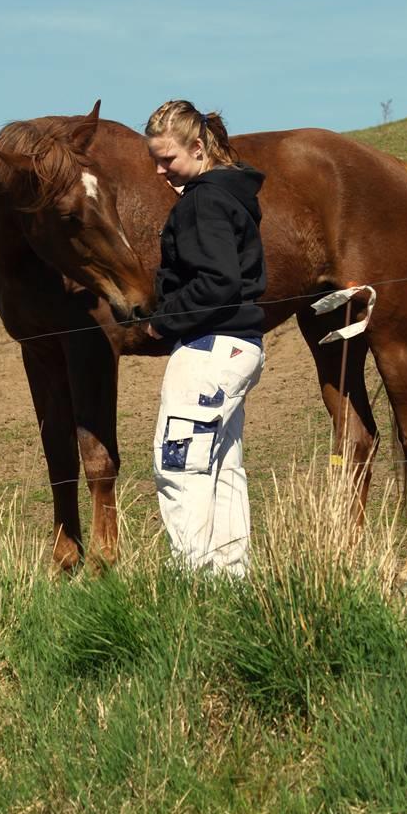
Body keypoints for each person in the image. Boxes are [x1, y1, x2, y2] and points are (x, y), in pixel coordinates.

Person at [144, 99, 266, 577]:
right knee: (221, 467)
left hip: (208, 350)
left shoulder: (202, 201)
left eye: (167, 158)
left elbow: (218, 281)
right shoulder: (233, 194)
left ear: (197, 148)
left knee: (179, 465)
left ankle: (192, 582)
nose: (159, 171)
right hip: (241, 346)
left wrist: (162, 321)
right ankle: (232, 581)